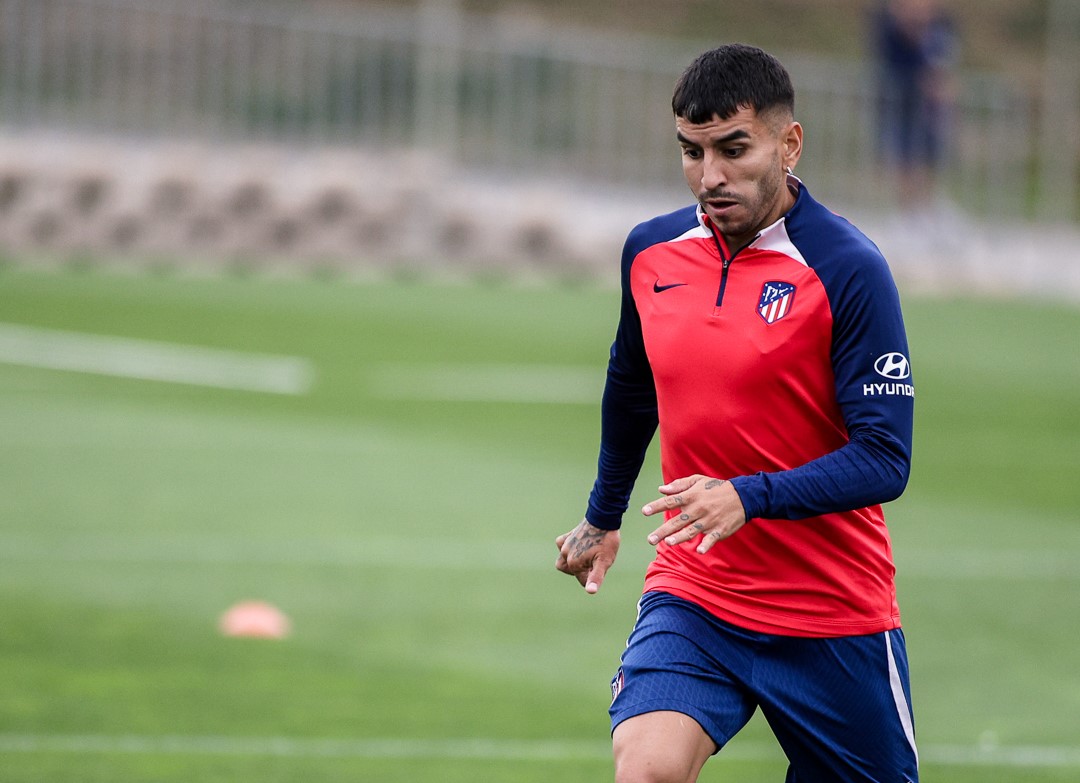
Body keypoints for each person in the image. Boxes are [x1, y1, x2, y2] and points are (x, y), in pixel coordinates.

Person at [555, 44, 918, 783]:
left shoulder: (848, 268)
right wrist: (603, 514)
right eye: (691, 152)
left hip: (832, 609)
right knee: (646, 769)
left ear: (790, 143)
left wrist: (747, 495)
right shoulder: (652, 252)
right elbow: (632, 384)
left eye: (733, 149)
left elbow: (886, 456)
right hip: (697, 591)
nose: (709, 175)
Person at [874, 0, 958, 212]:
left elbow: (942, 62)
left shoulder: (941, 28)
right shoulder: (892, 28)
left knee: (930, 153)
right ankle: (907, 209)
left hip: (929, 107)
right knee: (905, 154)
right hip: (902, 100)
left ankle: (927, 205)